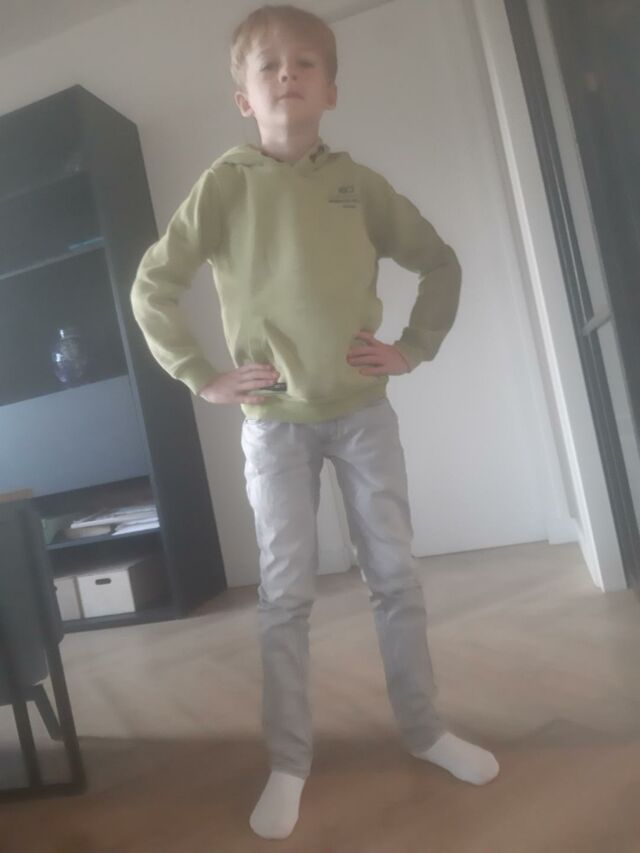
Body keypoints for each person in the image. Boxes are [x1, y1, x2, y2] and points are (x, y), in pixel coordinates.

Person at [130, 3, 499, 840]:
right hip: (272, 425)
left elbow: (438, 263)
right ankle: (289, 760)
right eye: (268, 65)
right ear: (243, 96)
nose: (287, 75)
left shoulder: (358, 185)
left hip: (363, 413)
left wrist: (412, 347)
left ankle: (425, 729)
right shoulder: (225, 185)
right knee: (285, 594)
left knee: (395, 577)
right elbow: (153, 285)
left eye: (304, 63)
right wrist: (201, 374)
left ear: (331, 89)